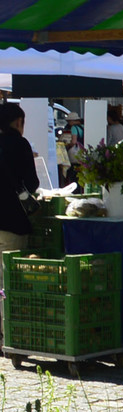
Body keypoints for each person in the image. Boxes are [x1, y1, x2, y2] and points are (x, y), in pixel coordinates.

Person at [1, 103, 40, 282]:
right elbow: (32, 183)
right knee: (9, 281)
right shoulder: (20, 144)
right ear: (18, 122)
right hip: (12, 222)